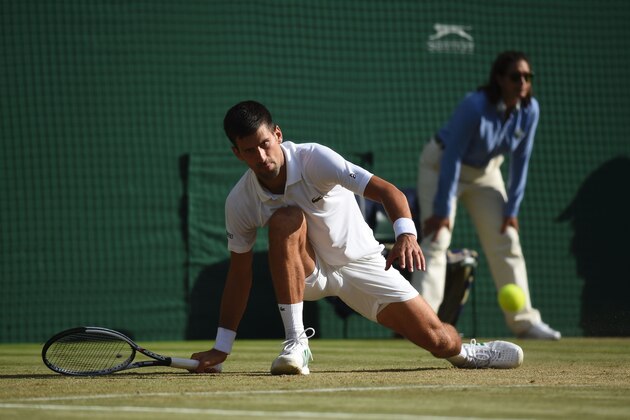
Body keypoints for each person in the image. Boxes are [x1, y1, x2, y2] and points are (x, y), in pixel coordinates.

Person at [191, 100, 524, 375]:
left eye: (265, 144)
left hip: (362, 262)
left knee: (439, 341)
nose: (262, 158)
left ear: (277, 135)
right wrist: (222, 347)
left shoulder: (314, 159)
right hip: (309, 273)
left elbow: (387, 191)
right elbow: (239, 275)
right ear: (238, 154)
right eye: (250, 151)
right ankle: (296, 344)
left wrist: (406, 234)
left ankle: (465, 352)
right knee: (285, 219)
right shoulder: (240, 201)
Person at [411, 51, 561, 340]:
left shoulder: (530, 111)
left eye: (527, 77)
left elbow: (521, 160)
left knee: (507, 239)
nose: (522, 82)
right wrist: (442, 210)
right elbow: (452, 156)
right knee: (436, 240)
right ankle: (422, 323)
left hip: (485, 173)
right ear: (499, 79)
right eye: (515, 76)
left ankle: (525, 322)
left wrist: (512, 210)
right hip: (441, 166)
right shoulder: (475, 105)